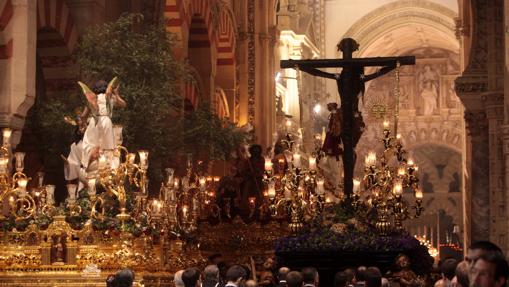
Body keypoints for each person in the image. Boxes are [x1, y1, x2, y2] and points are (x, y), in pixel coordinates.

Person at [79, 78, 126, 170]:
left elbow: (84, 115)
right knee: (107, 148)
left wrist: (82, 122)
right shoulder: (110, 97)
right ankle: (109, 168)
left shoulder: (92, 99)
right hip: (106, 122)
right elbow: (123, 104)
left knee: (91, 145)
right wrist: (116, 94)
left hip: (95, 122)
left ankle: (91, 165)